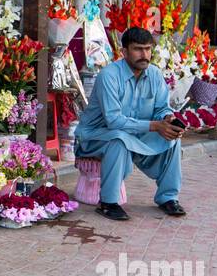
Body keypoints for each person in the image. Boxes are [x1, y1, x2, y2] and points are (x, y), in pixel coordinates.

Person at [75, 26, 185, 222]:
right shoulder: (109, 76)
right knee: (119, 139)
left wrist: (167, 119)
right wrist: (154, 126)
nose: (144, 55)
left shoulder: (155, 74)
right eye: (138, 49)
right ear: (124, 52)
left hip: (133, 135)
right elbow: (114, 121)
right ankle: (108, 203)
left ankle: (168, 198)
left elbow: (161, 108)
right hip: (95, 136)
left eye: (148, 49)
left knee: (172, 139)